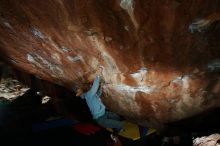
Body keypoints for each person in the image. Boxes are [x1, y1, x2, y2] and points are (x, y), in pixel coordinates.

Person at [76, 67, 123, 143]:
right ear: (87, 89)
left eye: (91, 85)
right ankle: (114, 135)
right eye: (90, 86)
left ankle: (115, 127)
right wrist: (97, 75)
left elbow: (98, 94)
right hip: (100, 119)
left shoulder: (91, 95)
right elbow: (94, 89)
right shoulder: (88, 95)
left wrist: (100, 87)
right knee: (120, 125)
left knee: (117, 117)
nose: (91, 86)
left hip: (104, 113)